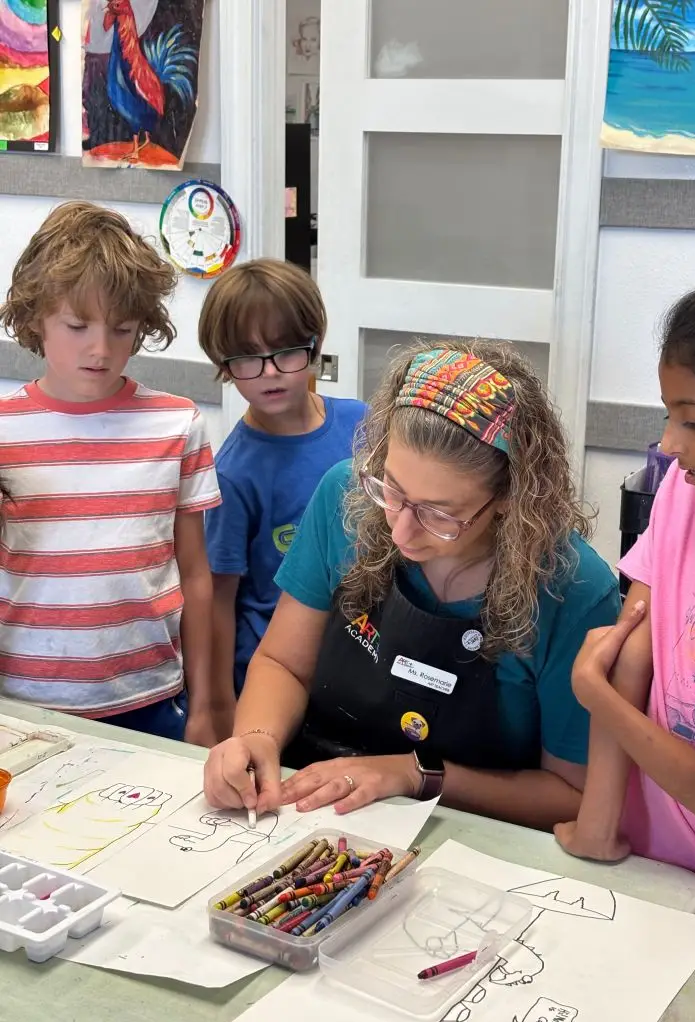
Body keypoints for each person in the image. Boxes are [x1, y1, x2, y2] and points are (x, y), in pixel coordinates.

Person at [203, 341, 620, 826]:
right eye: (392, 491)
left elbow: (572, 795)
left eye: (440, 514)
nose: (401, 532)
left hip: (470, 832)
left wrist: (413, 774)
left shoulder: (573, 588)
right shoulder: (343, 495)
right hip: (312, 804)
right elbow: (283, 663)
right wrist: (256, 737)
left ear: (512, 495)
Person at [555, 275, 695, 885]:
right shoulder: (684, 490)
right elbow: (629, 653)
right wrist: (597, 825)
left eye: (694, 422)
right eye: (669, 416)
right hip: (645, 861)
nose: (670, 444)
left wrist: (593, 694)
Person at [0, 201, 225, 744]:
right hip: (23, 702)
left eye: (122, 329)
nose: (101, 350)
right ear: (35, 317)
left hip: (150, 698)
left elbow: (196, 575)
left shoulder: (178, 424)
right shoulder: (4, 431)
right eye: (77, 326)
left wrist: (205, 705)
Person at [198, 259, 366, 698]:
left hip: (359, 664)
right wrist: (219, 704)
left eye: (286, 351)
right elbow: (219, 601)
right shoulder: (232, 474)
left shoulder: (364, 425)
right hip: (275, 676)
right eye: (247, 357)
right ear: (223, 364)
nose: (270, 372)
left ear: (314, 345)